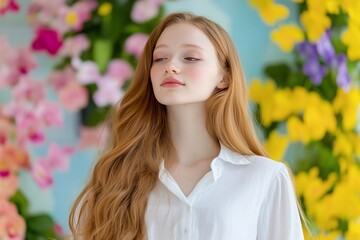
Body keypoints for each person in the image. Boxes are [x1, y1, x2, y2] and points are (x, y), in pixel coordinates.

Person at [69, 12, 305, 240]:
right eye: (160, 58)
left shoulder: (265, 178)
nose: (170, 66)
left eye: (190, 58)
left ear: (224, 77)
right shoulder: (116, 177)